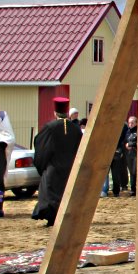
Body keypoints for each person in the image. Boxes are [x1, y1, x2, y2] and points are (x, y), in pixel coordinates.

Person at [32, 97, 83, 227]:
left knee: (51, 194)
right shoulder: (76, 129)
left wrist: (41, 165)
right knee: (67, 193)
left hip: (54, 168)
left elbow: (41, 147)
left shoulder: (50, 127)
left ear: (55, 112)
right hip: (70, 168)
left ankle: (52, 219)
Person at [124, 116, 138, 196]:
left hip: (136, 154)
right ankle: (133, 189)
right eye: (129, 123)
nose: (130, 124)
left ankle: (136, 189)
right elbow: (124, 141)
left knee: (135, 171)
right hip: (129, 154)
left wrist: (130, 144)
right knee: (131, 172)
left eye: (132, 123)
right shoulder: (128, 132)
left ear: (136, 123)